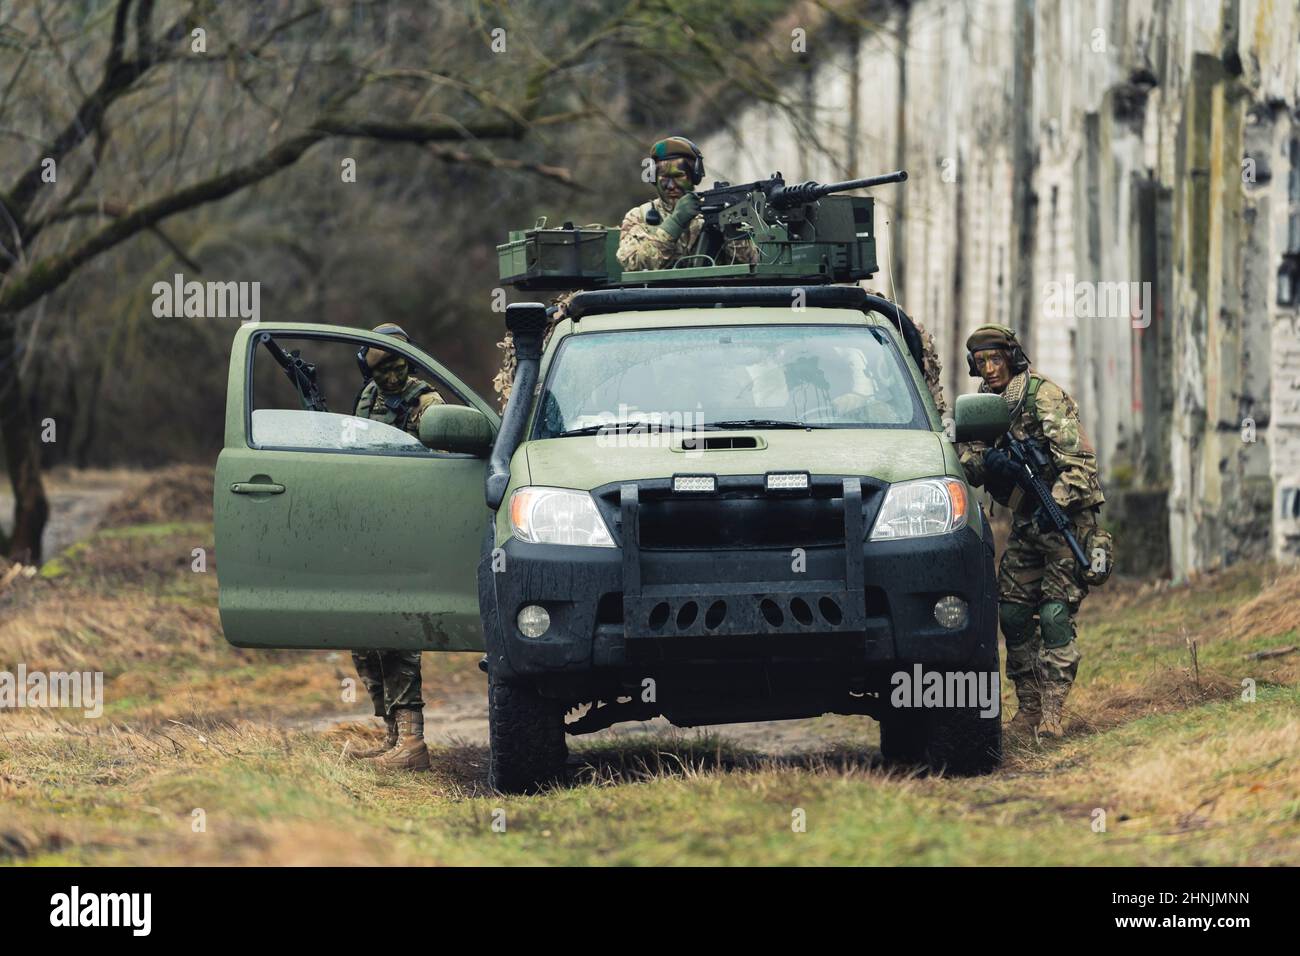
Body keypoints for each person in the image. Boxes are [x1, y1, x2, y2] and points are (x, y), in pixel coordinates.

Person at [958, 325, 1110, 739]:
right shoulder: (985, 408)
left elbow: (1081, 468)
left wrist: (1054, 503)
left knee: (1055, 613)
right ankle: (1028, 708)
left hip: (1067, 524)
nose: (989, 369)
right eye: (981, 362)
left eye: (996, 360)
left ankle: (1053, 711)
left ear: (1012, 359)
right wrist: (991, 463)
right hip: (1028, 522)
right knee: (1012, 612)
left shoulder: (1044, 397)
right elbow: (968, 466)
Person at [346, 323, 444, 770]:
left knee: (396, 634)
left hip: (404, 527)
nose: (393, 374)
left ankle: (412, 741)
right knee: (365, 639)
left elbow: (445, 459)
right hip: (367, 529)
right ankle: (391, 736)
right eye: (383, 368)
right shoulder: (369, 400)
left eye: (400, 364)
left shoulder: (425, 403)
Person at [616, 136, 758, 272]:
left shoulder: (714, 212)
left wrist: (732, 230)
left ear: (694, 177)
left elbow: (748, 265)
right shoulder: (638, 217)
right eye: (664, 177)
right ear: (654, 179)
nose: (671, 185)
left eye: (678, 176)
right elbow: (633, 264)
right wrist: (674, 224)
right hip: (657, 295)